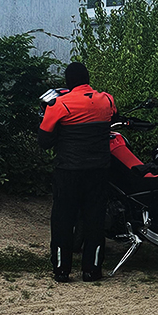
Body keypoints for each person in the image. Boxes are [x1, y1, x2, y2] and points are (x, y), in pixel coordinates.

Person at [39, 61, 117, 283]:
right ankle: (92, 270)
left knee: (63, 219)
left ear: (68, 81)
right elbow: (113, 117)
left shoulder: (59, 104)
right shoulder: (107, 100)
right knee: (95, 219)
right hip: (99, 170)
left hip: (69, 171)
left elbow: (44, 140)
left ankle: (62, 269)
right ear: (87, 79)